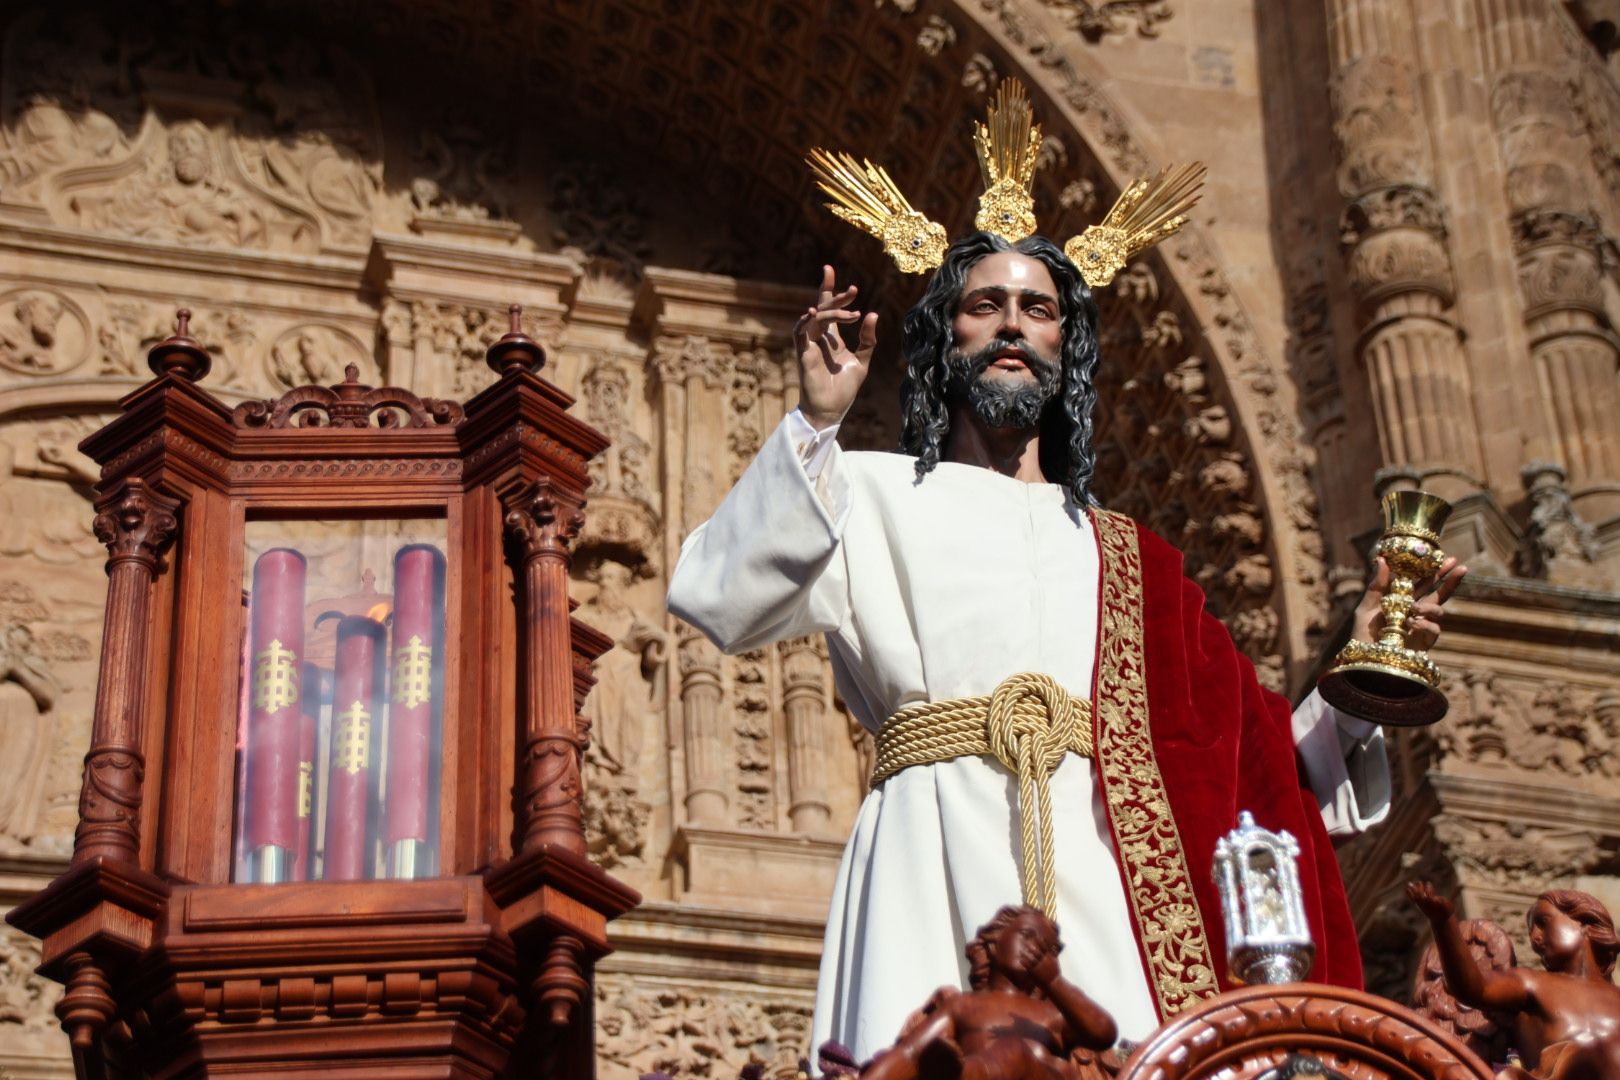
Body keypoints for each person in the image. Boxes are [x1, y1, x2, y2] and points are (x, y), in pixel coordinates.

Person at [666, 232, 1465, 1058]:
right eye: (985, 305)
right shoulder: (866, 489)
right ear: (949, 338)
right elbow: (720, 594)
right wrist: (817, 419)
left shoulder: (1126, 553)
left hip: (1106, 867)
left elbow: (1242, 755)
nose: (1012, 324)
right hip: (927, 841)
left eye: (1037, 309)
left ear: (1065, 346)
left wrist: (1362, 673)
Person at [864, 905, 1116, 1080]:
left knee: (1017, 1053)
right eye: (1027, 935)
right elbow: (910, 1053)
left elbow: (1103, 1033)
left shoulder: (1055, 1013)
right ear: (995, 944)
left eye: (1048, 949)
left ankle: (960, 1075)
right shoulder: (964, 1005)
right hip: (978, 1071)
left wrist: (1054, 982)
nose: (1036, 948)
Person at [1408, 881, 1620, 1079]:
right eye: (1531, 931)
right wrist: (1443, 922)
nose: (1535, 938)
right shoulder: (1531, 983)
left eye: (1543, 923)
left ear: (1584, 922)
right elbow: (1474, 990)